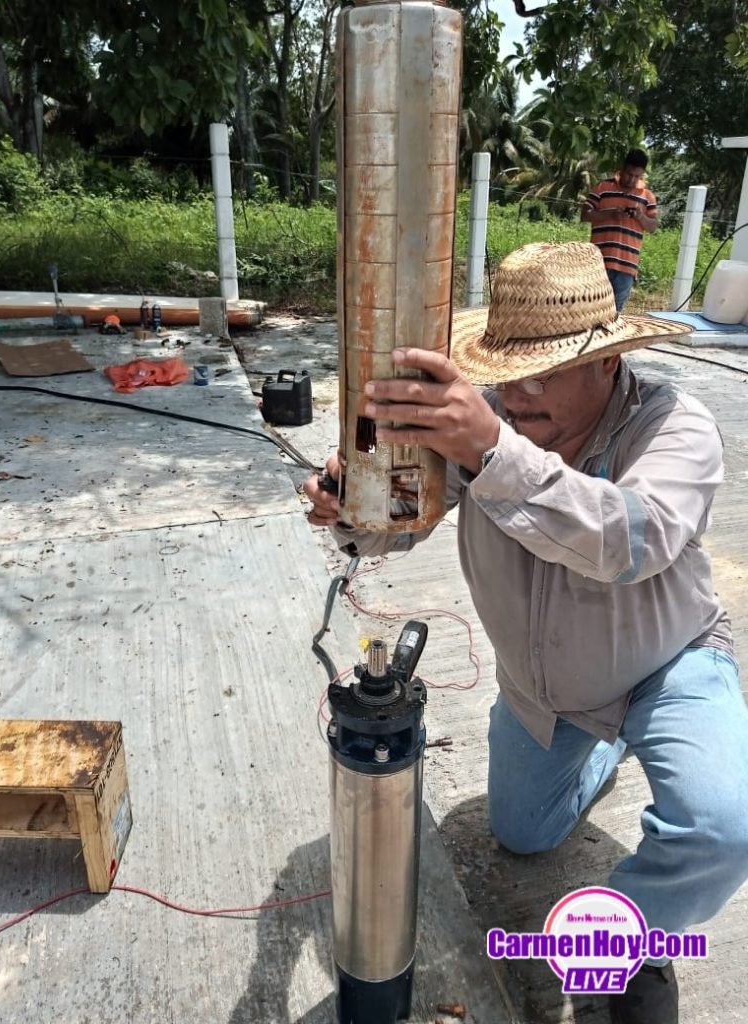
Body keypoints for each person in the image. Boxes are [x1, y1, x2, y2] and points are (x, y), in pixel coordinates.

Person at [304, 241, 748, 1024]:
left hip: (666, 664)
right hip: (541, 692)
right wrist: (352, 514)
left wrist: (490, 449)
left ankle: (628, 942)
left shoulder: (675, 426)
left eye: (546, 370)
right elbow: (402, 528)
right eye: (513, 372)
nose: (523, 393)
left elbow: (628, 542)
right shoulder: (496, 423)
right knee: (521, 837)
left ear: (607, 364)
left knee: (722, 828)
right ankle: (599, 747)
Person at [581, 148, 658, 312]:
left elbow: (653, 226)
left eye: (637, 176)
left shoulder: (647, 196)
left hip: (627, 267)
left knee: (614, 315)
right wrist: (611, 214)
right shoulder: (602, 187)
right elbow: (585, 215)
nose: (632, 179)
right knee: (590, 310)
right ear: (622, 168)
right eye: (629, 174)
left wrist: (640, 217)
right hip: (598, 262)